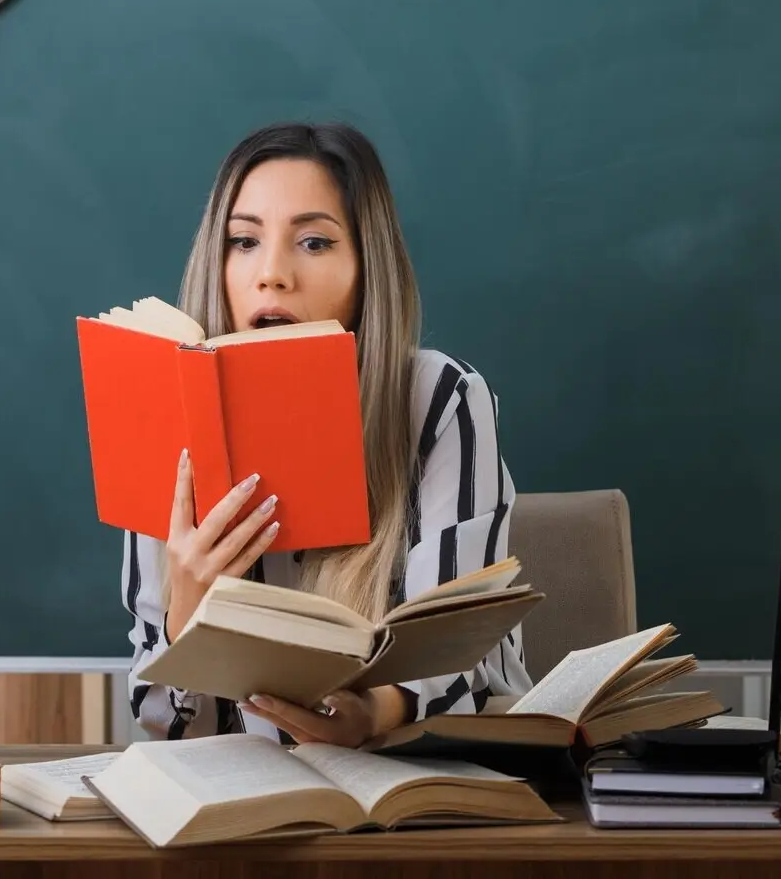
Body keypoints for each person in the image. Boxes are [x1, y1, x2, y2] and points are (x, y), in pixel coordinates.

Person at [120, 121, 531, 748]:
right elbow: (165, 725)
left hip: (411, 789)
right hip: (242, 810)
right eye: (244, 241)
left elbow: (464, 656)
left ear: (368, 270)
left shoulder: (440, 398)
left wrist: (378, 712)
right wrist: (187, 613)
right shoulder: (169, 409)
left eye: (313, 243)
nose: (274, 275)